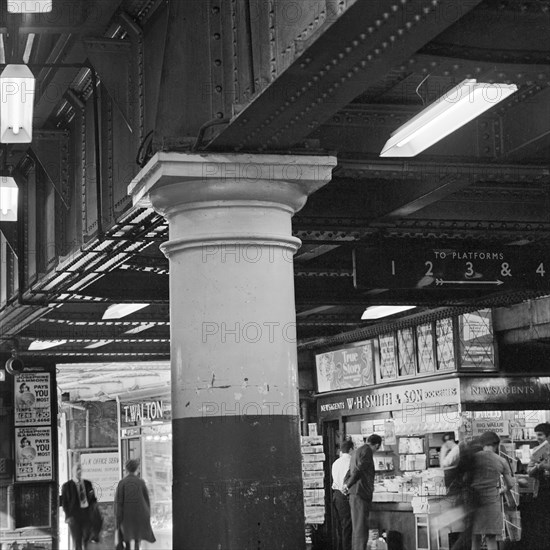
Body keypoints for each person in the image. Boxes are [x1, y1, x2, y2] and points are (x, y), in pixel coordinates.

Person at [469, 431, 515, 550]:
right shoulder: (501, 460)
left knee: (475, 536)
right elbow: (510, 483)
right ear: (496, 445)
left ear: (482, 443)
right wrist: (503, 490)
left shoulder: (473, 459)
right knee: (491, 537)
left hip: (475, 501)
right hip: (492, 501)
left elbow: (465, 479)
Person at [342, 434, 382, 550]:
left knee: (357, 528)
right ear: (377, 445)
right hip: (361, 493)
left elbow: (350, 471)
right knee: (361, 529)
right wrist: (348, 485)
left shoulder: (356, 451)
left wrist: (346, 485)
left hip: (354, 493)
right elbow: (360, 469)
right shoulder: (367, 451)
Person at [115, 459, 156, 550]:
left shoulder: (122, 483)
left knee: (127, 539)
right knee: (137, 539)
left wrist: (118, 518)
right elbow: (146, 500)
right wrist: (148, 514)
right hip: (140, 516)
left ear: (126, 469)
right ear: (137, 469)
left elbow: (119, 502)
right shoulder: (141, 482)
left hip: (126, 517)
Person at [526, 422, 550, 550]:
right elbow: (529, 471)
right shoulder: (537, 451)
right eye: (537, 435)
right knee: (542, 520)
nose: (538, 438)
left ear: (548, 435)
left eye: (540, 435)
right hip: (541, 490)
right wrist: (538, 466)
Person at [61, 463, 96, 550]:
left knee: (87, 537)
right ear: (73, 471)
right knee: (77, 540)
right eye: (77, 469)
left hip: (86, 514)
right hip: (74, 517)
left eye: (80, 469)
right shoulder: (67, 486)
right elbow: (64, 503)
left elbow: (93, 499)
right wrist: (68, 516)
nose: (79, 471)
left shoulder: (88, 484)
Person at [331, 439, 354, 550]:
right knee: (347, 527)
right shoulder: (351, 462)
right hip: (345, 495)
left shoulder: (336, 463)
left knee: (340, 527)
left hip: (336, 495)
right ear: (351, 449)